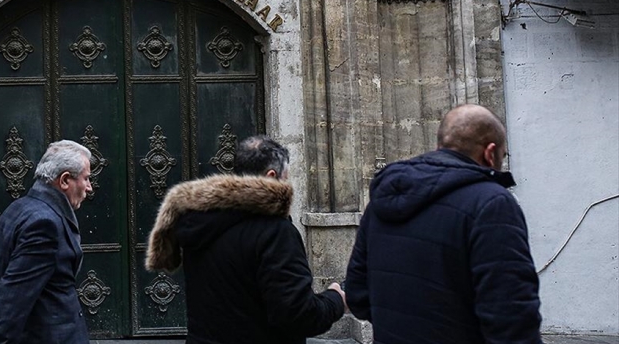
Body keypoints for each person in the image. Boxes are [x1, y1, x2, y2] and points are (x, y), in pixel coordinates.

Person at [344, 104, 542, 344]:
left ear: (440, 146)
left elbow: (357, 295)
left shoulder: (384, 198)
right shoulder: (492, 202)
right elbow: (512, 317)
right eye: (503, 155)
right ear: (490, 153)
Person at [146, 135, 347, 344]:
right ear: (272, 176)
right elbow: (298, 316)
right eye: (286, 176)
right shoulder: (276, 233)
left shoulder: (198, 222)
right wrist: (335, 300)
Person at [0, 140, 93, 344]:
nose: (89, 187)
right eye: (86, 179)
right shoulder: (45, 224)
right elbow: (12, 298)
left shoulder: (16, 209)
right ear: (65, 180)